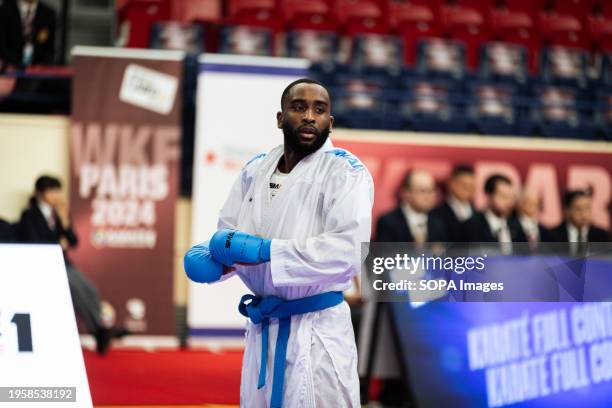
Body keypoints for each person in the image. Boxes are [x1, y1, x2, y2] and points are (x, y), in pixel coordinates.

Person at [184, 78, 373, 407]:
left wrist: (266, 251)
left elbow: (348, 253)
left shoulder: (346, 172)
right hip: (263, 328)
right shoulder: (255, 169)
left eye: (319, 110)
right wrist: (217, 261)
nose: (310, 116)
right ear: (280, 118)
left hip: (317, 331)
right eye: (299, 108)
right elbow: (229, 234)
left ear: (330, 122)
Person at [17, 175, 124, 354]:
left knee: (89, 289)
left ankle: (99, 329)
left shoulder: (59, 213)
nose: (56, 195)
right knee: (74, 288)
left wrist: (65, 222)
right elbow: (32, 241)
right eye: (51, 190)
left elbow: (73, 241)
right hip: (43, 265)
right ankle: (99, 330)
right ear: (40, 193)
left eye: (57, 190)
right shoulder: (29, 215)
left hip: (63, 263)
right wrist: (57, 242)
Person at [375, 169, 447, 243]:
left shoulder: (438, 223)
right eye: (422, 191)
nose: (429, 196)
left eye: (432, 190)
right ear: (406, 193)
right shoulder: (388, 222)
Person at [465, 174, 526, 243]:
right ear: (488, 196)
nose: (509, 202)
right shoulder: (472, 226)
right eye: (503, 197)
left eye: (512, 197)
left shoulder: (517, 226)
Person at [0, 0, 56, 70]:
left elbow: (50, 48)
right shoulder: (4, 10)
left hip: (39, 73)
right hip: (8, 71)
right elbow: (2, 45)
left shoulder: (48, 13)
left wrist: (43, 68)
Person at [430, 164, 476, 242]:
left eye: (471, 185)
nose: (467, 189)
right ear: (450, 183)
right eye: (463, 185)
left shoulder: (478, 215)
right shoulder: (436, 214)